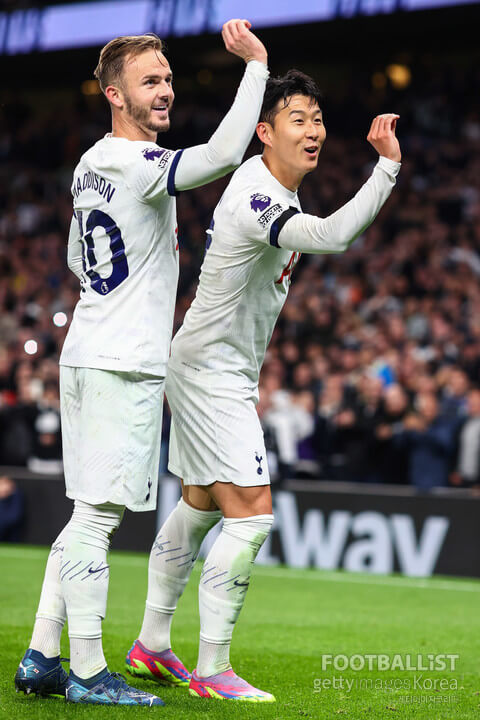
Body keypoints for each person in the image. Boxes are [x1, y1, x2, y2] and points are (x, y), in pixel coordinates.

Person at [15, 20, 269, 706]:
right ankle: (88, 672)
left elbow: (78, 259)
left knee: (84, 516)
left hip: (89, 351)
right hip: (122, 362)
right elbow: (222, 153)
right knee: (97, 520)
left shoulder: (89, 164)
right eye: (149, 82)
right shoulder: (137, 163)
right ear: (114, 95)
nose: (164, 91)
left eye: (167, 79)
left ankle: (41, 654)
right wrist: (255, 67)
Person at [126, 70, 401, 702]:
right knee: (252, 516)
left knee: (199, 506)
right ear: (265, 132)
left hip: (209, 365)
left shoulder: (276, 188)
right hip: (210, 373)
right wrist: (385, 169)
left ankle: (152, 644)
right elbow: (333, 236)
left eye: (318, 119)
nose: (313, 131)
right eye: (298, 119)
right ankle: (213, 669)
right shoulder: (256, 196)